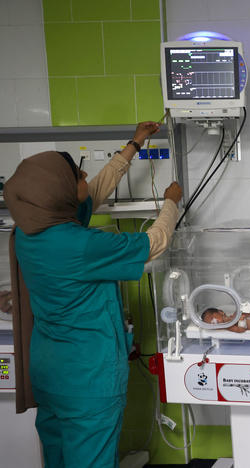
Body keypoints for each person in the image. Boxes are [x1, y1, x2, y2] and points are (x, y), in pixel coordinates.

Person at [4, 121, 183, 468]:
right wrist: (170, 204)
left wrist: (134, 145)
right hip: (88, 378)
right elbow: (154, 243)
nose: (86, 176)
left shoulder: (30, 232)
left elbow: (94, 192)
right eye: (79, 175)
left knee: (57, 459)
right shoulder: (81, 245)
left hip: (50, 373)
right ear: (62, 191)